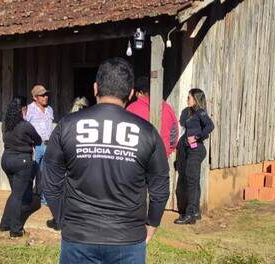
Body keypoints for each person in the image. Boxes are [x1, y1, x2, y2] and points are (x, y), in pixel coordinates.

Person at [42, 57, 170, 264]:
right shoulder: (148, 132)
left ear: (95, 88)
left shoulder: (67, 125)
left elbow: (49, 180)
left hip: (79, 236)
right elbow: (160, 187)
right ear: (130, 94)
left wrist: (63, 219)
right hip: (128, 238)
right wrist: (152, 225)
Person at [0, 96, 42, 237]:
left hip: (6, 160)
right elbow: (38, 139)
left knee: (14, 194)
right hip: (21, 162)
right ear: (24, 109)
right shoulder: (25, 125)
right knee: (17, 196)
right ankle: (16, 230)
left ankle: (4, 224)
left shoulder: (5, 125)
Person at [174, 88, 214, 225]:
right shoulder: (190, 112)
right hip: (189, 151)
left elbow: (210, 126)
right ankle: (195, 211)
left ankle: (190, 214)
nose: (187, 100)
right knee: (193, 180)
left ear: (195, 99)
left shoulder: (200, 112)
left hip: (196, 150)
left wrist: (197, 137)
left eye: (189, 98)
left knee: (191, 181)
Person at [25, 84, 56, 229]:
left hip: (47, 145)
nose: (45, 97)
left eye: (46, 94)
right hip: (35, 147)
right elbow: (24, 129)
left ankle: (43, 199)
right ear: (35, 97)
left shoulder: (49, 109)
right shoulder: (28, 110)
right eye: (42, 95)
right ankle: (28, 198)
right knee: (31, 172)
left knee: (44, 173)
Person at [126, 76, 179, 157]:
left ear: (139, 93)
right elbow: (174, 136)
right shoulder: (167, 108)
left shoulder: (131, 109)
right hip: (161, 158)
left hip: (137, 158)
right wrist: (167, 152)